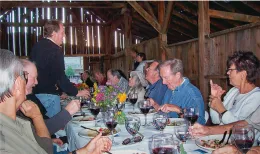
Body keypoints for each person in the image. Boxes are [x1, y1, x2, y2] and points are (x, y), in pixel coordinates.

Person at [0, 49, 112, 154]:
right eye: (25, 77)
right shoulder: (5, 141)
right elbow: (46, 148)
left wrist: (85, 151)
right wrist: (38, 116)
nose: (36, 83)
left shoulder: (14, 121)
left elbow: (43, 148)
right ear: (18, 84)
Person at [30, 20, 89, 118]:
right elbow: (60, 76)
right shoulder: (55, 50)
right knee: (53, 128)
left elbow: (46, 73)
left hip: (36, 95)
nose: (64, 36)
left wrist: (60, 92)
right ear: (53, 33)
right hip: (49, 98)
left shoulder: (36, 47)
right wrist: (77, 92)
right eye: (62, 33)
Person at [18, 59, 80, 135]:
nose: (36, 82)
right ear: (20, 78)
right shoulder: (19, 104)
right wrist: (67, 112)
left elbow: (43, 122)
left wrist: (52, 139)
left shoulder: (30, 97)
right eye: (33, 78)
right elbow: (39, 131)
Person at [209, 51, 260, 125]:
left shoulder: (256, 97)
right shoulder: (233, 91)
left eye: (231, 70)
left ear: (243, 74)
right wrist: (215, 98)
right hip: (221, 136)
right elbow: (215, 120)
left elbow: (241, 128)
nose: (227, 73)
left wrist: (221, 109)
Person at [151, 59, 205, 125]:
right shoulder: (170, 89)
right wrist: (155, 105)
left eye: (166, 78)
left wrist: (178, 110)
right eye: (162, 78)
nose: (163, 82)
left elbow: (200, 124)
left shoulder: (192, 93)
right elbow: (164, 114)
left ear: (177, 75)